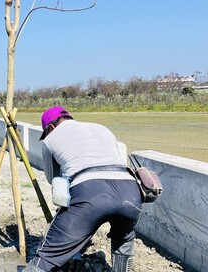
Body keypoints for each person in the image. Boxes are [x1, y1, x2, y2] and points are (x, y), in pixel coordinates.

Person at [24, 106, 142, 272]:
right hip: (131, 193)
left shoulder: (51, 140)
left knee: (47, 257)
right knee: (124, 237)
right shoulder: (102, 129)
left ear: (50, 127)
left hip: (90, 194)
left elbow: (54, 179)